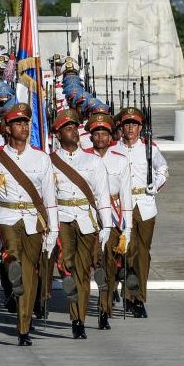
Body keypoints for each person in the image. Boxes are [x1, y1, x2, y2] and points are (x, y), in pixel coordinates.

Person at [0, 102, 58, 346]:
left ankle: (23, 327)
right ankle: (10, 260)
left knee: (29, 275)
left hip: (34, 221)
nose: (24, 127)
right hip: (6, 216)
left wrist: (54, 230)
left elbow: (50, 198)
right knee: (12, 251)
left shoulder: (41, 158)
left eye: (26, 122)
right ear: (7, 127)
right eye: (18, 123)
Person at [50, 109, 112, 339]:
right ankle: (69, 286)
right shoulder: (50, 161)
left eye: (75, 127)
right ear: (58, 133)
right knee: (67, 266)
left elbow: (102, 196)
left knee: (83, 272)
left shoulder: (93, 161)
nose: (74, 131)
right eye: (68, 128)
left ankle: (78, 319)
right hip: (62, 216)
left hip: (86, 218)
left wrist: (106, 226)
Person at [113, 107, 168, 318]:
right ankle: (127, 293)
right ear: (122, 127)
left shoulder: (149, 149)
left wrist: (156, 183)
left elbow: (163, 168)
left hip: (144, 204)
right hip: (122, 205)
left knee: (142, 253)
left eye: (134, 125)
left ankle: (137, 298)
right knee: (127, 251)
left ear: (140, 128)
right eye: (127, 124)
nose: (130, 128)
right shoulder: (114, 149)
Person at [84, 112, 130, 330]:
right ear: (91, 136)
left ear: (111, 135)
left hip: (111, 216)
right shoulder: (82, 158)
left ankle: (104, 309)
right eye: (96, 133)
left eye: (104, 132)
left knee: (107, 264)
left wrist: (127, 228)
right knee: (87, 262)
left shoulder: (120, 161)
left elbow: (126, 196)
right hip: (87, 214)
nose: (100, 137)